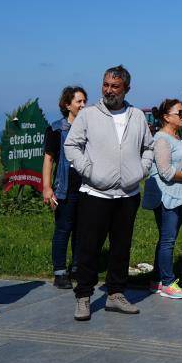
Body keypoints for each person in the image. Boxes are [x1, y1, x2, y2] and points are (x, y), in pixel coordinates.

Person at [65, 65, 154, 322]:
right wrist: (88, 170)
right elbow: (71, 145)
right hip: (95, 193)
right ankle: (83, 296)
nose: (108, 90)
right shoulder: (89, 115)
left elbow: (148, 147)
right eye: (105, 85)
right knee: (89, 248)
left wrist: (142, 169)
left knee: (121, 247)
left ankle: (116, 294)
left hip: (128, 194)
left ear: (126, 88)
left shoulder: (137, 116)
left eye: (114, 86)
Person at [143, 99, 182, 299]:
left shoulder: (176, 138)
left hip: (177, 194)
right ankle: (168, 283)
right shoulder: (161, 139)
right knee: (168, 240)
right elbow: (166, 172)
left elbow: (181, 166)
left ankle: (156, 280)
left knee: (165, 240)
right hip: (166, 196)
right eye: (179, 113)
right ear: (166, 117)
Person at [41, 85, 88, 289]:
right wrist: (46, 187)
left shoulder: (89, 128)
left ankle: (77, 268)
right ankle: (60, 272)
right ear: (67, 105)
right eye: (79, 101)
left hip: (86, 187)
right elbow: (49, 159)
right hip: (64, 187)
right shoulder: (56, 129)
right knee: (63, 229)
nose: (83, 105)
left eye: (85, 101)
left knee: (82, 229)